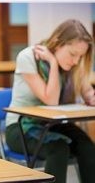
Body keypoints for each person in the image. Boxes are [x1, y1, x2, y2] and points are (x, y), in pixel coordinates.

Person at [5, 20, 95, 183]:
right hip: (21, 128)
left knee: (87, 146)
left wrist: (90, 96)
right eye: (73, 54)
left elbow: (87, 90)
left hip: (52, 125)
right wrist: (53, 63)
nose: (76, 61)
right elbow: (51, 100)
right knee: (59, 148)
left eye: (80, 56)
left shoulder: (72, 65)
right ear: (58, 44)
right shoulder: (28, 57)